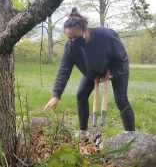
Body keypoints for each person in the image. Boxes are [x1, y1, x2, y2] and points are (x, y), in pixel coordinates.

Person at [44, 8, 135, 140]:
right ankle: (84, 133)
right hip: (92, 70)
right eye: (69, 37)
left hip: (116, 66)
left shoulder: (105, 36)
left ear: (85, 30)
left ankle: (131, 136)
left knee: (121, 100)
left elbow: (121, 57)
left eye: (76, 36)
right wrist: (56, 95)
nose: (73, 40)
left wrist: (112, 74)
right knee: (81, 95)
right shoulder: (70, 46)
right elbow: (64, 69)